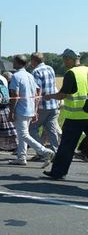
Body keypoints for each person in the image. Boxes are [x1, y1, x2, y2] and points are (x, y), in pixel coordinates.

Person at [43, 49, 88, 180]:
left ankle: (58, 172)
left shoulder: (71, 73)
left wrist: (49, 96)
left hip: (75, 117)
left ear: (70, 59)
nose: (64, 63)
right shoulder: (86, 70)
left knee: (66, 147)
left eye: (64, 60)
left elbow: (63, 94)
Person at [7, 54, 55, 166]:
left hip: (21, 109)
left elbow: (15, 94)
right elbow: (37, 93)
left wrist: (11, 111)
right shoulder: (30, 75)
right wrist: (35, 109)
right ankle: (21, 157)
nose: (13, 63)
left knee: (23, 134)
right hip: (29, 108)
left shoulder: (16, 76)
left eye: (14, 61)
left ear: (18, 63)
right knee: (23, 134)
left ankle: (45, 152)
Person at [29, 52, 60, 155]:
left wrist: (35, 109)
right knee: (51, 130)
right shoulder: (50, 68)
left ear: (34, 61)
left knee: (31, 129)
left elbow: (37, 91)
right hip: (53, 104)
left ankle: (42, 152)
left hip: (42, 105)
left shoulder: (36, 72)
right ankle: (55, 152)